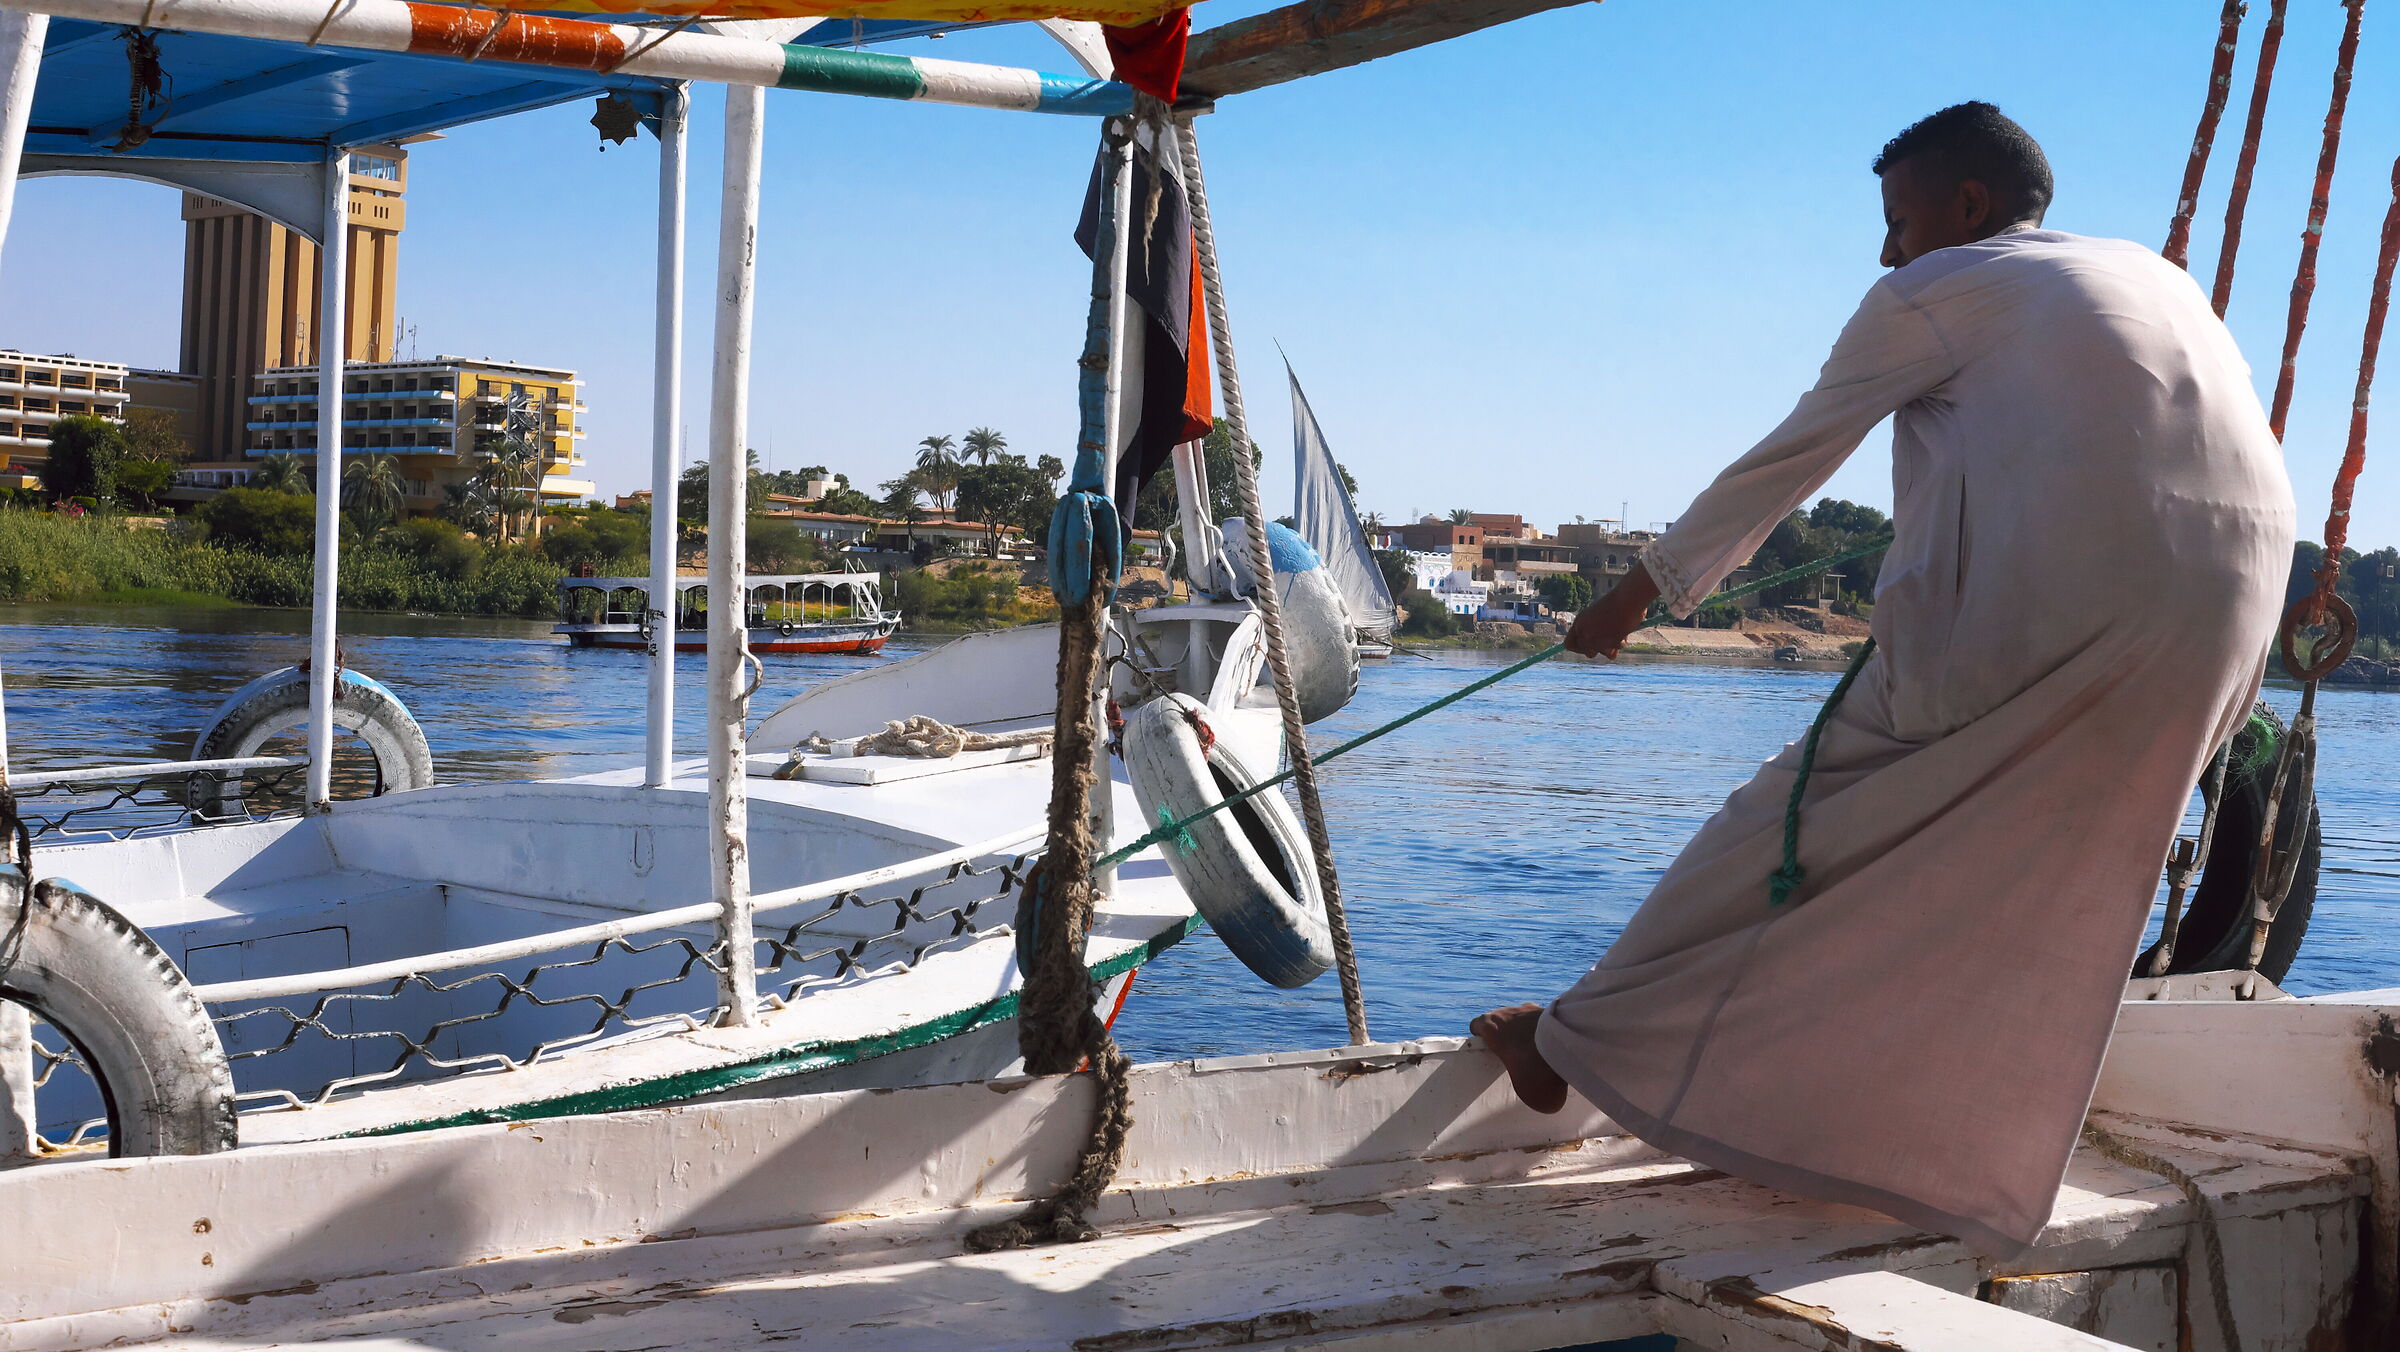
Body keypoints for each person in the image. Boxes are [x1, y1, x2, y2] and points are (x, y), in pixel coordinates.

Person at [1471, 102, 2294, 1256]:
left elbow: (1795, 451)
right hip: (2231, 630)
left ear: (1965, 208)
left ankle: (1567, 1039)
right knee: (1992, 876)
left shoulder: (1940, 285)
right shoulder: (2152, 276)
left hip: (2068, 614)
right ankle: (1896, 1139)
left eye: (1898, 220)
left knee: (1791, 820)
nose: (1885, 252)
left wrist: (1643, 588)